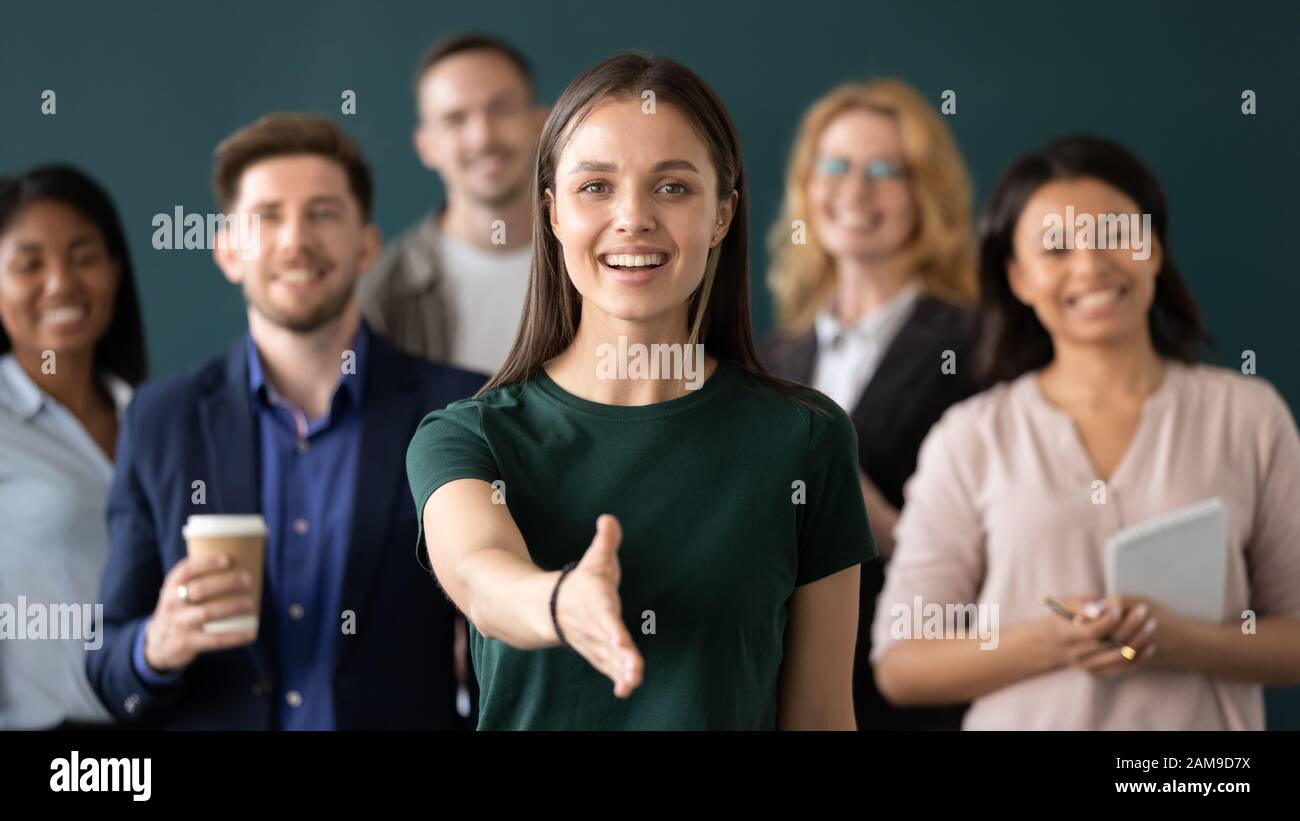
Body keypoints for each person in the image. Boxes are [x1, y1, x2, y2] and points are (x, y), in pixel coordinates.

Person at [407, 52, 874, 730]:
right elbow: (480, 575)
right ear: (554, 213)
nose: (632, 217)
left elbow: (823, 715)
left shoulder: (806, 437)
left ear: (721, 215)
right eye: (595, 186)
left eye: (673, 187)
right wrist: (560, 602)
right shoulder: (465, 436)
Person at [871, 135, 1300, 729]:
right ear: (1018, 278)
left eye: (1115, 235)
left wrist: (1181, 640)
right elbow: (901, 663)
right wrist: (1049, 641)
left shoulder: (1249, 415)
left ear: (1152, 248)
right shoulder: (971, 437)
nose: (1091, 266)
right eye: (1056, 248)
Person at [86, 114, 484, 729]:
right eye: (267, 217)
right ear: (226, 251)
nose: (295, 240)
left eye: (323, 213)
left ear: (367, 245)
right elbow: (109, 666)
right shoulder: (159, 420)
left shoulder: (459, 410)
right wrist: (157, 645)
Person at [761, 79, 978, 730]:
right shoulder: (772, 357)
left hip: (913, 695)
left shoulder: (981, 344)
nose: (855, 191)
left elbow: (1013, 551)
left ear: (926, 195)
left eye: (886, 170)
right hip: (778, 688)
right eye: (836, 166)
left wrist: (880, 519)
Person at [0, 165, 147, 729]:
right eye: (29, 264)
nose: (60, 282)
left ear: (115, 270)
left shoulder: (158, 419)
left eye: (84, 256)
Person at [359, 33, 547, 374]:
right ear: (426, 146)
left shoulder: (601, 263)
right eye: (456, 119)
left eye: (501, 109)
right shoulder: (383, 294)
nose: (483, 138)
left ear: (540, 123)